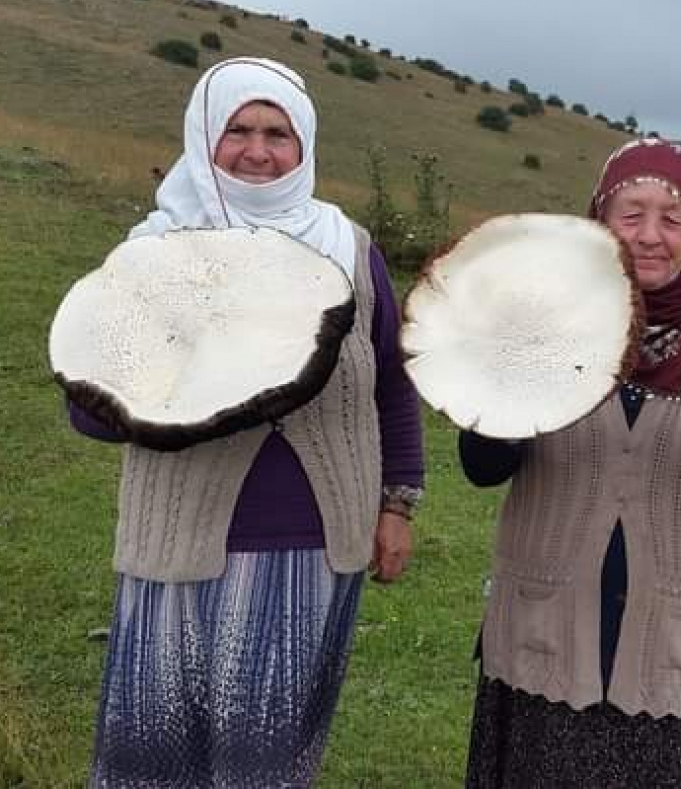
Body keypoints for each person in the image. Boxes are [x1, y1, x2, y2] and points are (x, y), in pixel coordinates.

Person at [66, 57, 424, 787]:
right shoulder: (154, 254)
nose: (257, 150)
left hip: (311, 543)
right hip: (180, 538)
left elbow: (390, 380)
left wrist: (397, 504)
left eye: (277, 133)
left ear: (305, 146)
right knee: (154, 752)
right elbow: (88, 410)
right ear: (204, 137)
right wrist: (179, 404)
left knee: (264, 759)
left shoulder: (350, 250)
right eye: (237, 129)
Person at [459, 137, 681, 787]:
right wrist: (502, 387)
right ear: (600, 218)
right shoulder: (547, 311)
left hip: (664, 647)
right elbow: (481, 467)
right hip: (544, 633)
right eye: (630, 214)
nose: (649, 236)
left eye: (672, 220)